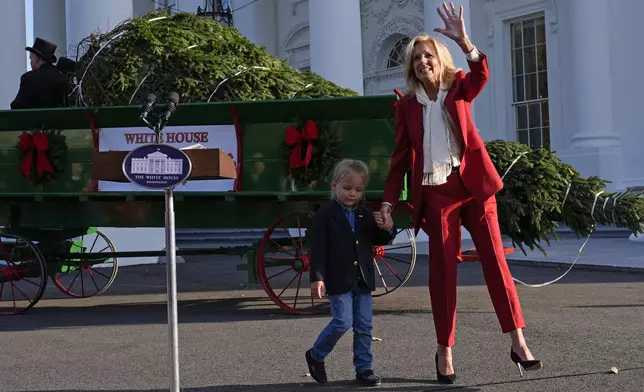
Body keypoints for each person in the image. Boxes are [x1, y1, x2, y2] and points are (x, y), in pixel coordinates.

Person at [379, 2, 542, 384]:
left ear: (440, 59)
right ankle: (444, 350)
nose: (423, 61)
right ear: (411, 66)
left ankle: (518, 340)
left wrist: (465, 41)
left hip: (474, 188)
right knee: (443, 274)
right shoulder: (406, 107)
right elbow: (400, 158)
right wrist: (388, 200)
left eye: (428, 54)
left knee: (495, 264)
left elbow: (481, 73)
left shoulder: (459, 89)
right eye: (416, 57)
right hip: (435, 194)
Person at [305, 159, 395, 386]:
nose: (352, 194)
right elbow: (318, 250)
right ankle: (316, 355)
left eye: (358, 189)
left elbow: (381, 238)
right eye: (347, 188)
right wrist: (317, 277)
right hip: (337, 278)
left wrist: (386, 227)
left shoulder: (365, 214)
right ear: (334, 186)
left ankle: (364, 369)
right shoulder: (324, 216)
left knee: (364, 326)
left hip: (362, 279)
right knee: (342, 322)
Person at [10, 37, 69, 109]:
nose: (30, 62)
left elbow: (16, 106)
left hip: (34, 119)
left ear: (37, 58)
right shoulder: (63, 77)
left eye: (31, 59)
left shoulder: (29, 78)